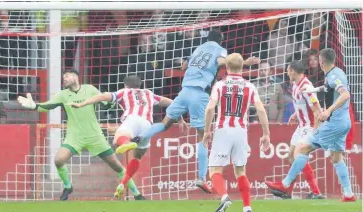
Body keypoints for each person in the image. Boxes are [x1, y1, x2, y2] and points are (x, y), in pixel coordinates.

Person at [131, 30, 260, 193]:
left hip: (184, 91)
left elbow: (184, 66)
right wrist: (244, 62)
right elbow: (221, 61)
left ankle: (141, 137)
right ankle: (201, 178)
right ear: (220, 40)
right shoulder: (219, 49)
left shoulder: (198, 49)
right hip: (200, 93)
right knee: (202, 136)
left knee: (164, 123)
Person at [17, 69, 144, 201]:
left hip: (94, 136)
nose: (64, 79)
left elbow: (107, 104)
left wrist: (115, 100)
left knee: (117, 166)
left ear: (75, 77)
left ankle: (137, 194)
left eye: (66, 76)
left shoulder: (90, 89)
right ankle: (68, 186)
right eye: (63, 77)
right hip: (74, 136)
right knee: (58, 160)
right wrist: (34, 106)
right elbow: (48, 106)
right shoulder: (62, 95)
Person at [265, 48, 356, 202]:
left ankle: (285, 185)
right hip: (344, 122)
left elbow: (345, 94)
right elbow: (331, 89)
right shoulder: (336, 73)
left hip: (334, 123)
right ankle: (349, 194)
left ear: (320, 62)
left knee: (302, 149)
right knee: (336, 158)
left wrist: (328, 111)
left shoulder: (333, 75)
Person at [70, 75, 178, 198]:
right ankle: (123, 183)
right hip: (147, 125)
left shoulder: (124, 92)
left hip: (132, 119)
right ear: (140, 85)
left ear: (125, 85)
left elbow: (102, 96)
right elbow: (174, 104)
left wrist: (82, 104)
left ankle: (126, 143)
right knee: (137, 156)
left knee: (118, 138)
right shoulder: (149, 93)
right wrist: (181, 120)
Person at [203, 53, 270, 212]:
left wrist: (206, 131)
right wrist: (266, 133)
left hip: (223, 130)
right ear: (242, 67)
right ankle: (247, 208)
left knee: (214, 170)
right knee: (240, 171)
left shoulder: (220, 85)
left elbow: (210, 108)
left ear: (226, 67)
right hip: (241, 131)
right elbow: (260, 108)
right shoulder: (250, 86)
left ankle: (224, 197)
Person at [278, 60, 324, 199]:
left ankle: (316, 192)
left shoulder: (306, 87)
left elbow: (316, 108)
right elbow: (301, 104)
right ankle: (287, 192)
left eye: (288, 70)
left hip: (309, 126)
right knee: (291, 156)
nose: (286, 73)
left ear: (292, 70)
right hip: (301, 125)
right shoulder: (295, 84)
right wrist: (294, 114)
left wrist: (315, 130)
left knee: (299, 155)